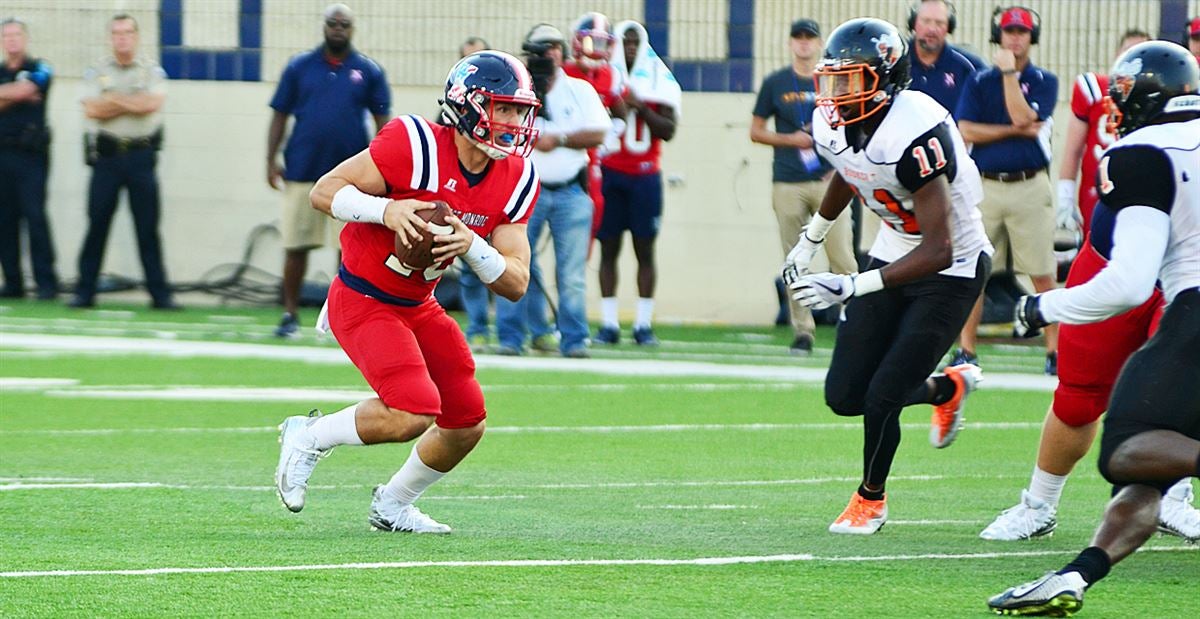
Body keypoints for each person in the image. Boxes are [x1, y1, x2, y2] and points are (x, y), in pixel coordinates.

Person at [274, 50, 541, 533]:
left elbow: (516, 282)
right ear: (468, 105)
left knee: (466, 421)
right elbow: (323, 191)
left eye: (520, 111)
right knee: (412, 410)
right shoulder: (413, 143)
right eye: (503, 108)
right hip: (362, 296)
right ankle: (309, 434)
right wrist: (387, 211)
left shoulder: (517, 176)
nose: (514, 122)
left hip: (419, 303)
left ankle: (393, 504)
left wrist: (473, 246)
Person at [988, 41, 1200, 616]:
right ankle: (1075, 573)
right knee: (1131, 449)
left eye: (1123, 97)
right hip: (1155, 286)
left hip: (1180, 297)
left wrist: (1043, 308)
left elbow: (1131, 281)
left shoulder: (1141, 151)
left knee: (1128, 450)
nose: (1115, 109)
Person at [784, 18, 993, 535]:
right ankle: (945, 389)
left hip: (952, 269)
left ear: (886, 78)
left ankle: (870, 499)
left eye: (850, 81)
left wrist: (852, 284)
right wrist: (812, 238)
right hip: (894, 251)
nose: (837, 94)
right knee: (845, 396)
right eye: (833, 80)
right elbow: (847, 170)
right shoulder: (833, 122)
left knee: (882, 396)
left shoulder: (916, 128)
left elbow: (940, 248)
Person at [266, 4, 390, 337]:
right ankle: (290, 314)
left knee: (347, 251)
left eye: (344, 24)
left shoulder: (368, 71)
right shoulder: (299, 67)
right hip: (302, 169)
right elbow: (279, 113)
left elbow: (383, 123)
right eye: (332, 23)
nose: (338, 28)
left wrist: (384, 169)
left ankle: (342, 317)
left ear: (353, 29)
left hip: (350, 179)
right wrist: (270, 159)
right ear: (324, 26)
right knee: (295, 245)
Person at [953, 6, 1058, 374]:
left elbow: (1023, 116)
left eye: (1022, 32)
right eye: (1009, 31)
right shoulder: (980, 81)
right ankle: (966, 350)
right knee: (974, 270)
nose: (1015, 38)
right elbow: (967, 130)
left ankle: (1054, 352)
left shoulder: (1044, 79)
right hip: (985, 185)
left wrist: (1011, 72)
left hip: (1029, 183)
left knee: (1042, 272)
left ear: (1032, 38)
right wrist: (1017, 129)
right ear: (999, 35)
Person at [494, 24, 608, 358]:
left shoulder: (579, 89)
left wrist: (557, 138)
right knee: (513, 264)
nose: (551, 54)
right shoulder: (520, 88)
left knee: (571, 273)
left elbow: (599, 132)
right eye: (543, 48)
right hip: (526, 189)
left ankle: (574, 339)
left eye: (556, 47)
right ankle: (512, 336)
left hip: (571, 190)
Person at [751, 18, 856, 355]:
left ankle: (855, 324)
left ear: (819, 42)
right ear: (790, 43)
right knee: (795, 259)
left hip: (829, 182)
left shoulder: (832, 81)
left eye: (809, 38)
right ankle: (803, 330)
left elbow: (852, 124)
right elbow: (756, 131)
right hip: (788, 180)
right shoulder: (775, 82)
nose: (804, 44)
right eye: (798, 38)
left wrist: (841, 165)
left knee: (842, 256)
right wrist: (789, 140)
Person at [71, 14, 177, 310]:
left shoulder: (151, 71)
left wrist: (114, 100)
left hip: (142, 157)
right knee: (97, 225)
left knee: (147, 227)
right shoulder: (97, 71)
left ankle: (160, 294)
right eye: (117, 33)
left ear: (136, 36)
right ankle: (84, 291)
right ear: (110, 37)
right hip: (106, 158)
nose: (122, 38)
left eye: (128, 32)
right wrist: (131, 101)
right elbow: (91, 109)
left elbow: (151, 105)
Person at [593, 20, 679, 347]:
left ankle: (643, 324)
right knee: (609, 248)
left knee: (645, 249)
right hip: (611, 171)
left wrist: (641, 105)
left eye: (634, 42)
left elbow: (668, 131)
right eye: (624, 42)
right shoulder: (605, 77)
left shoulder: (658, 79)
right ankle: (609, 323)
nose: (629, 48)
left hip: (645, 174)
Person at [0, 17, 57, 300]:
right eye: (6, 36)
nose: (12, 40)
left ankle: (46, 283)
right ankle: (13, 283)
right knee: (5, 221)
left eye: (16, 35)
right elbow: (22, 93)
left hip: (31, 156)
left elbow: (30, 88)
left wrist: (11, 96)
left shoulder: (40, 68)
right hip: (2, 155)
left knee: (35, 217)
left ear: (25, 38)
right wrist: (17, 95)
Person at [563, 11, 628, 248]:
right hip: (559, 150)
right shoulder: (562, 72)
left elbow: (621, 113)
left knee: (594, 206)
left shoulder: (609, 76)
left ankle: (582, 258)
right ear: (577, 42)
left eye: (603, 42)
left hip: (590, 155)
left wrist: (610, 136)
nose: (597, 48)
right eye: (593, 41)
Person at [452, 35, 493, 352]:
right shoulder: (451, 111)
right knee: (468, 268)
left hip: (495, 195)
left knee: (519, 265)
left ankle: (515, 331)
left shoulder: (501, 105)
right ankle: (478, 325)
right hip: (460, 200)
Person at [906, 0, 984, 115]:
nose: (932, 29)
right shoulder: (894, 60)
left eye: (939, 23)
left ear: (949, 27)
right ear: (914, 24)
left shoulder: (969, 67)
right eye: (926, 21)